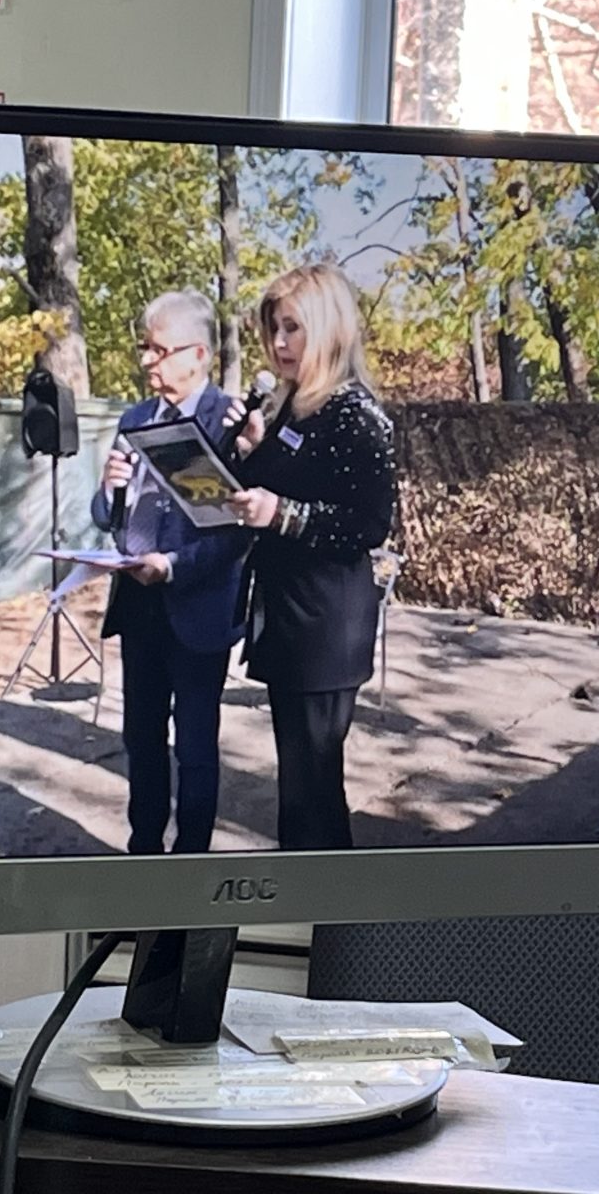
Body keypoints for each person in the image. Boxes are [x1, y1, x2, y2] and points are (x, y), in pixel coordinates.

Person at [227, 264, 396, 850]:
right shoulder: (292, 406)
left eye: (292, 328)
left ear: (328, 328)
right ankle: (303, 892)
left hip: (327, 624)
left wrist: (282, 514)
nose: (278, 343)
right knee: (298, 789)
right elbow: (271, 488)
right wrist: (245, 451)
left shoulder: (355, 413)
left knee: (314, 792)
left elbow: (369, 524)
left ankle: (327, 900)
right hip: (286, 615)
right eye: (273, 328)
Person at [89, 291, 252, 855]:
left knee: (196, 748)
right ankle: (144, 854)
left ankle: (190, 866)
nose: (146, 361)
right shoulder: (134, 419)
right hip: (138, 604)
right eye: (145, 348)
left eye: (158, 350)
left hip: (198, 607)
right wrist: (108, 490)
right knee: (141, 738)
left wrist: (174, 567)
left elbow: (236, 533)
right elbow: (105, 515)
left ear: (198, 354)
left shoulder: (231, 422)